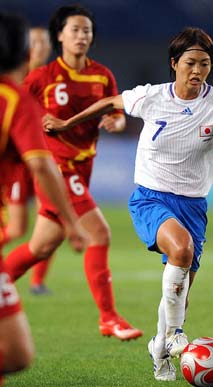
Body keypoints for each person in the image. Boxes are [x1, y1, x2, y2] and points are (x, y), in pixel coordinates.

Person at [43, 26, 213, 381]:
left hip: (193, 206)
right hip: (150, 197)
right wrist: (68, 122)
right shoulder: (153, 96)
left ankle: (159, 345)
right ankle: (176, 335)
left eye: (205, 64)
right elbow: (111, 102)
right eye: (191, 62)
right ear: (174, 64)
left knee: (180, 290)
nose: (198, 71)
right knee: (181, 249)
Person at [3, 5, 142, 341]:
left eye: (87, 30)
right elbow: (19, 109)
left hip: (84, 165)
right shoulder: (41, 77)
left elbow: (117, 111)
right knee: (99, 233)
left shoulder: (102, 75)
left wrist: (117, 121)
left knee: (40, 246)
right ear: (60, 35)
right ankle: (108, 317)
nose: (82, 36)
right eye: (75, 30)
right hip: (57, 168)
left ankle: (3, 279)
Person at [0, 11, 86, 385]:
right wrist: (71, 221)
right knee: (16, 353)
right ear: (24, 52)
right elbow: (44, 168)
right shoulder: (15, 99)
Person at [0, 26, 54, 296]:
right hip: (21, 164)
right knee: (18, 226)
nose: (40, 47)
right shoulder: (17, 83)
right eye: (34, 42)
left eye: (44, 42)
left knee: (52, 222)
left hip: (44, 159)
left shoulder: (51, 78)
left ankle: (37, 281)